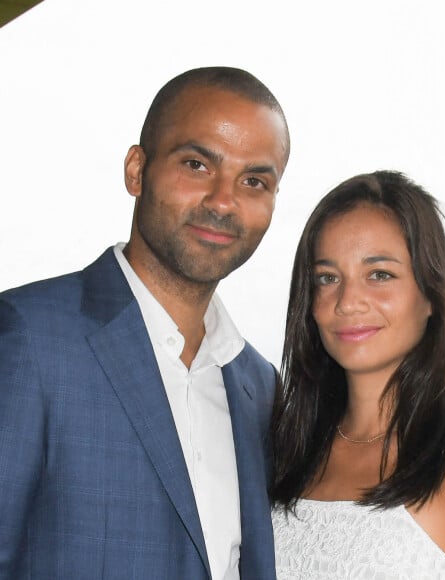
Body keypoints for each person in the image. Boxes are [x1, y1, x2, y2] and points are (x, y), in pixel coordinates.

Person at [0, 66, 290, 580]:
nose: (224, 200)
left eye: (254, 181)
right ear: (137, 169)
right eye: (197, 164)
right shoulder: (28, 338)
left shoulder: (260, 387)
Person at [271, 171, 445, 579]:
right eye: (327, 278)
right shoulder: (282, 449)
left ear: (431, 294)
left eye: (379, 274)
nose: (348, 302)